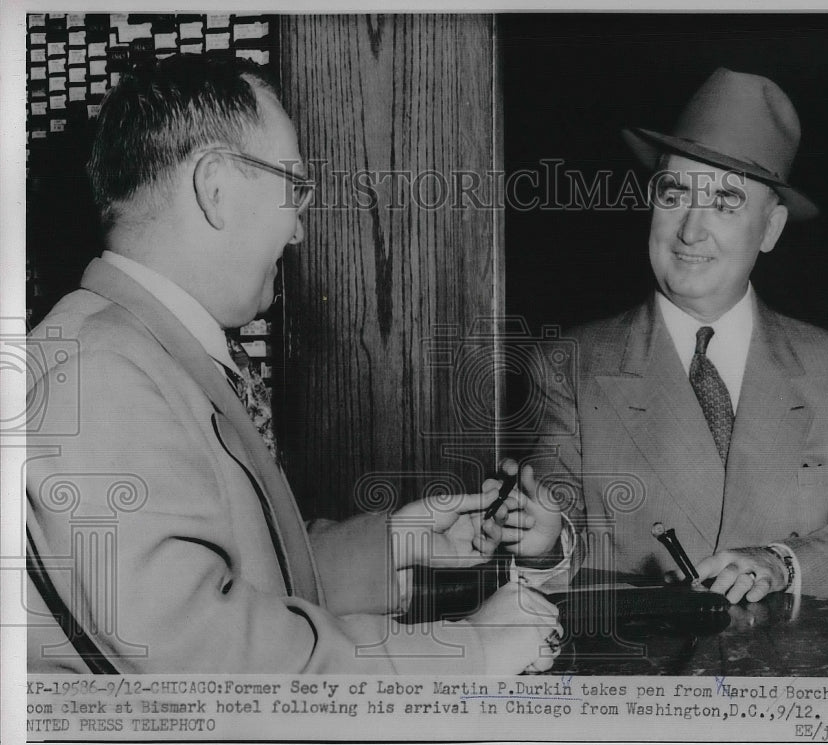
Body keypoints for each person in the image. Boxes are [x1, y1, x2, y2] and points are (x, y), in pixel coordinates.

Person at [24, 53, 565, 675]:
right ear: (216, 188)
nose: (299, 230)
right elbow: (213, 665)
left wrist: (395, 546)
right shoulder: (97, 377)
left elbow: (231, 582)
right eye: (293, 188)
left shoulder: (135, 351)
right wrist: (470, 650)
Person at [513, 68, 828, 603]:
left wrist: (782, 563)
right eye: (674, 194)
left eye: (726, 202)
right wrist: (540, 546)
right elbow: (554, 537)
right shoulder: (567, 366)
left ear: (771, 228)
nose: (690, 229)